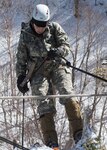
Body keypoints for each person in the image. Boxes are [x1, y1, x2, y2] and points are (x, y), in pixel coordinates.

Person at [16, 4, 83, 149]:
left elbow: (66, 46)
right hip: (38, 71)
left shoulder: (54, 28)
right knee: (42, 101)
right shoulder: (25, 35)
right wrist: (21, 77)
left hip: (57, 66)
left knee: (67, 92)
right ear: (33, 22)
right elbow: (21, 59)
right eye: (38, 25)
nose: (40, 28)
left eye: (43, 25)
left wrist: (58, 51)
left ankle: (79, 134)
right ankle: (52, 143)